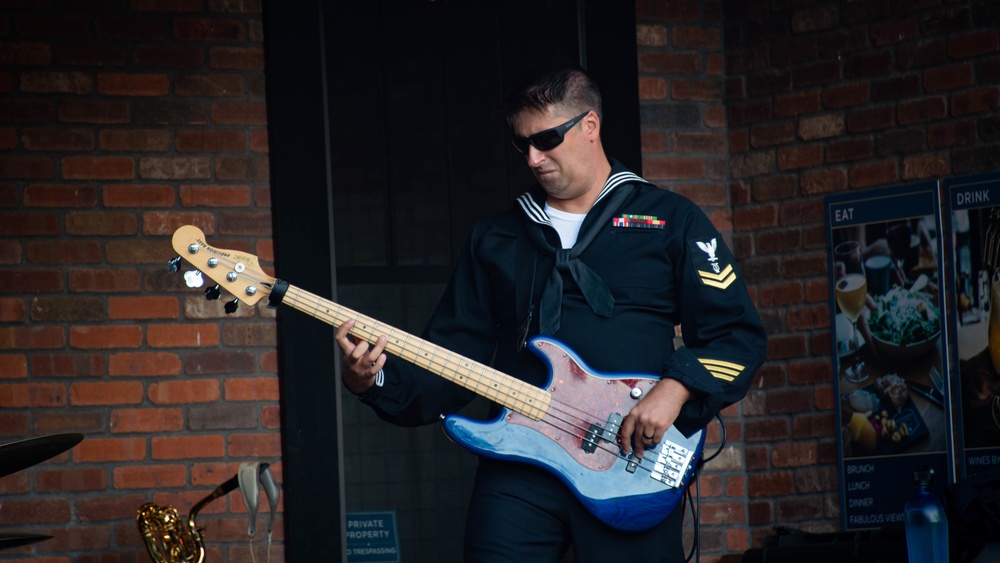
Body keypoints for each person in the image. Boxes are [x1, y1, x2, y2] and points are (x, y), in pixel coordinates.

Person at [335, 62, 768, 562]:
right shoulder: (497, 236)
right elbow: (452, 356)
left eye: (545, 140)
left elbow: (737, 336)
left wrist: (675, 389)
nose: (533, 158)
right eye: (522, 144)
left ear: (589, 126)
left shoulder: (671, 221)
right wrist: (373, 382)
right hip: (519, 466)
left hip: (629, 464)